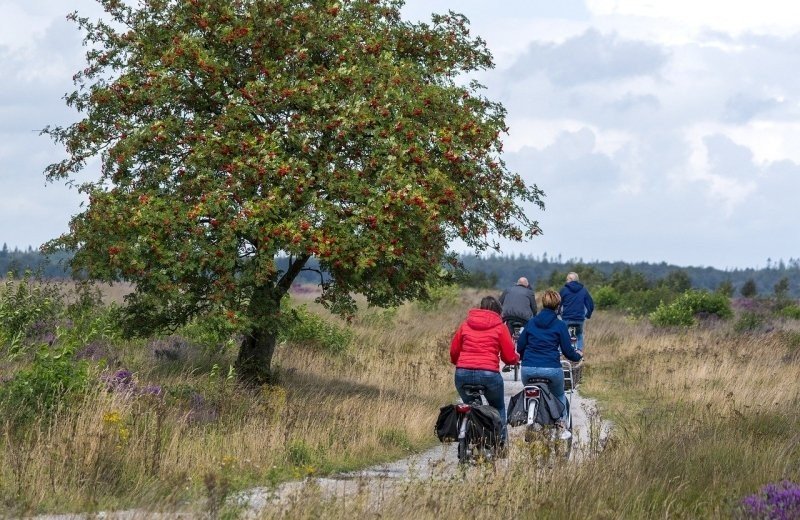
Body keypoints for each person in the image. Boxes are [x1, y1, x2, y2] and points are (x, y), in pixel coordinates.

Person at [450, 295, 520, 444]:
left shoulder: (465, 325)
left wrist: (459, 363)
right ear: (498, 311)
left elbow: (454, 351)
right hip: (489, 374)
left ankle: (471, 431)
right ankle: (500, 442)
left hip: (463, 372)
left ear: (481, 308)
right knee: (498, 406)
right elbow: (508, 356)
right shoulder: (500, 327)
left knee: (468, 405)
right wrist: (514, 360)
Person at [516, 290, 582, 437]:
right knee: (559, 395)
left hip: (528, 370)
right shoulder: (560, 325)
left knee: (529, 391)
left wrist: (524, 358)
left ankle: (529, 416)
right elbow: (567, 351)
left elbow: (520, 346)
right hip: (551, 370)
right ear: (558, 307)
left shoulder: (531, 323)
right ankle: (561, 425)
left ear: (543, 304)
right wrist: (577, 356)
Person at [559, 272, 594, 353]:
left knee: (562, 335)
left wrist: (557, 313)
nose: (566, 281)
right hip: (579, 319)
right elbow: (590, 304)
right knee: (579, 335)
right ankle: (579, 352)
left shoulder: (564, 290)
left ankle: (561, 353)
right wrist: (588, 315)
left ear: (570, 280)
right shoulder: (583, 290)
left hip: (567, 318)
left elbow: (557, 303)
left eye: (567, 279)